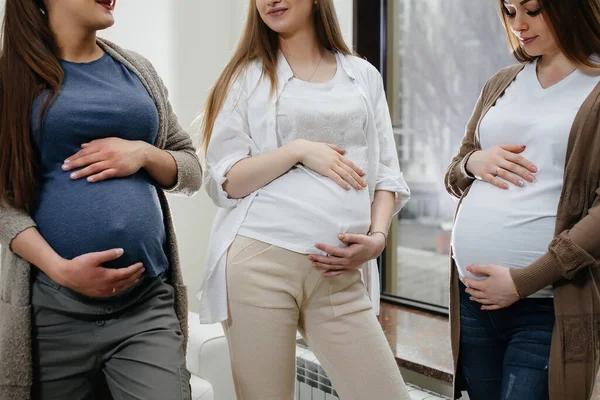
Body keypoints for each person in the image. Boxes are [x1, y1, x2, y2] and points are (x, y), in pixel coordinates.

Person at [198, 0, 412, 398]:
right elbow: (225, 181)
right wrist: (298, 150)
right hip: (261, 262)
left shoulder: (362, 75)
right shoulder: (246, 78)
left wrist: (378, 238)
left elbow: (387, 176)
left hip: (340, 274)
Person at [0, 0, 202, 399]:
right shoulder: (11, 78)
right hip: (53, 311)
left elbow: (192, 169)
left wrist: (143, 153)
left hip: (144, 305)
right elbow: (3, 202)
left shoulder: (137, 72)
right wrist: (59, 269)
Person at [445, 0, 600, 398]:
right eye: (510, 11)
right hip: (473, 302)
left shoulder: (595, 89)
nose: (518, 24)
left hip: (544, 306)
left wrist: (522, 282)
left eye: (532, 10)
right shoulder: (502, 82)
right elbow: (455, 172)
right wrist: (474, 162)